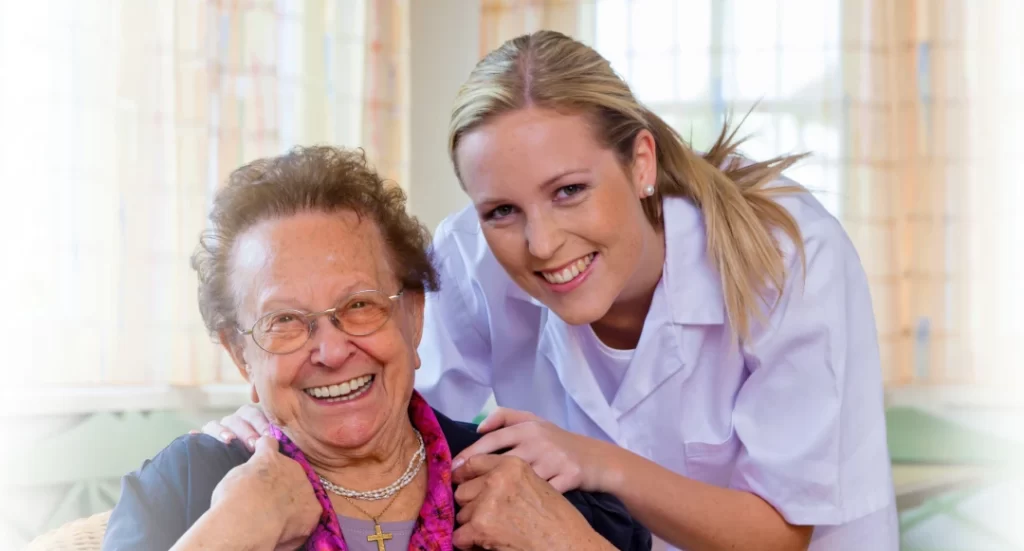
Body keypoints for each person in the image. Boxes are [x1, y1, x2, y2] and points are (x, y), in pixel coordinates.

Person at [203, 30, 898, 551]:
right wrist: (273, 418)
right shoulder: (469, 259)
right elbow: (396, 418)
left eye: (569, 191)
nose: (540, 242)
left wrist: (596, 462)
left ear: (641, 160)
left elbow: (782, 533)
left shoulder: (787, 255)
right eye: (501, 210)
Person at [102, 146, 651, 551]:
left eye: (360, 305)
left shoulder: (530, 484)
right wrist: (228, 536)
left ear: (414, 317)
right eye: (285, 321)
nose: (332, 350)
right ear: (241, 355)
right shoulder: (186, 491)